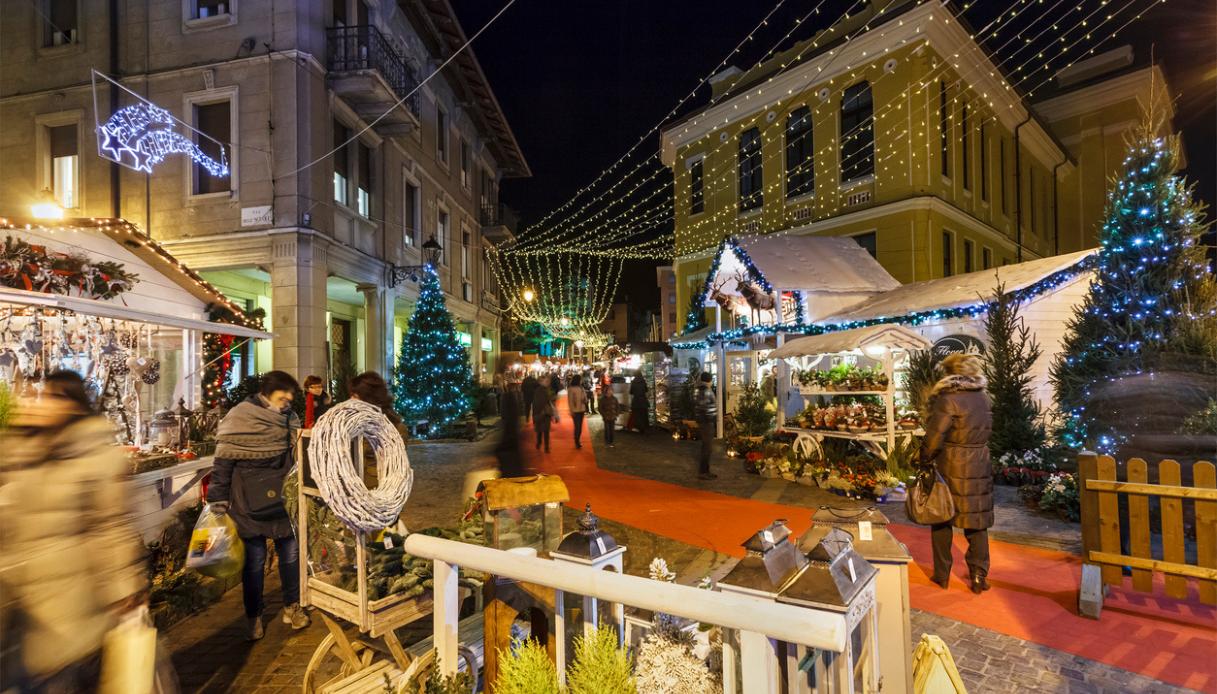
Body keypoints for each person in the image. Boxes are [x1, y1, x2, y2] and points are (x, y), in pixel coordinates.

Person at [0, 371, 147, 693]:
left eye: (56, 397)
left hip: (71, 600)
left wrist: (125, 590)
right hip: (19, 605)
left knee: (59, 679)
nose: (42, 403)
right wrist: (19, 431)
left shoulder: (98, 458)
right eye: (42, 395)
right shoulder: (23, 448)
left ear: (77, 407)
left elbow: (112, 526)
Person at [208, 370, 307, 640]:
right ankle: (253, 616)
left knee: (291, 557)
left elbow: (298, 455)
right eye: (282, 396)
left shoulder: (289, 419)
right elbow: (223, 461)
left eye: (290, 398)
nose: (287, 402)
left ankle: (292, 606)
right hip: (247, 503)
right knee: (254, 562)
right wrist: (218, 499)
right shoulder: (240, 417)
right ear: (266, 393)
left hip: (282, 501)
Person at [919, 353, 994, 594]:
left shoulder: (947, 399)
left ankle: (942, 575)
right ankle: (979, 575)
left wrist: (924, 458)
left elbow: (935, 437)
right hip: (979, 461)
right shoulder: (984, 398)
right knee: (977, 521)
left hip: (951, 462)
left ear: (950, 373)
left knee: (942, 517)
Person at [693, 371, 719, 480]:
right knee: (707, 448)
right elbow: (708, 408)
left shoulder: (697, 390)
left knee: (705, 447)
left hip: (701, 421)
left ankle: (705, 470)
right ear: (709, 380)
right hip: (707, 422)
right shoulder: (707, 391)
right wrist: (712, 418)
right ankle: (703, 471)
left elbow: (696, 406)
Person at [530, 381, 555, 453]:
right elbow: (550, 402)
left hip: (538, 414)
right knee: (546, 431)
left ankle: (539, 443)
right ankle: (546, 447)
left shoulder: (536, 393)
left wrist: (534, 417)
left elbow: (534, 406)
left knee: (539, 431)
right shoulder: (546, 392)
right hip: (546, 413)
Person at [567, 374, 588, 449]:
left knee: (580, 427)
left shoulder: (581, 388)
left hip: (581, 409)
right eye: (580, 379)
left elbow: (585, 397)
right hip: (575, 410)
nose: (581, 381)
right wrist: (571, 410)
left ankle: (578, 440)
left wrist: (585, 399)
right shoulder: (571, 389)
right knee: (577, 427)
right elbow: (570, 400)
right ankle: (577, 441)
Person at [598, 382, 619, 448]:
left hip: (613, 416)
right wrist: (604, 414)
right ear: (606, 391)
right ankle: (607, 442)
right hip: (606, 417)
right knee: (607, 430)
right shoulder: (602, 399)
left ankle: (611, 442)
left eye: (611, 390)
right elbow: (600, 408)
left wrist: (616, 414)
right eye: (608, 390)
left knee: (612, 430)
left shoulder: (614, 399)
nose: (610, 392)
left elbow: (617, 407)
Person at [629, 370, 649, 434]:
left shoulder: (633, 382)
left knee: (637, 415)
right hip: (643, 400)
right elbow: (646, 390)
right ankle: (644, 427)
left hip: (636, 401)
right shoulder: (643, 381)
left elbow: (631, 392)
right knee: (643, 414)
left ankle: (639, 428)